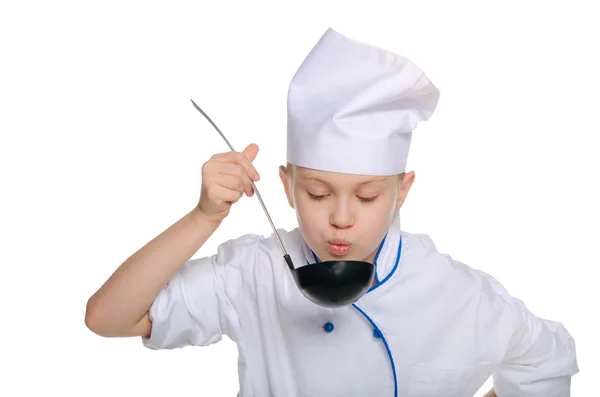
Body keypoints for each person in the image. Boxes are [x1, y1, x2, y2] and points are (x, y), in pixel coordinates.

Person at [85, 27, 579, 396]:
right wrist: (204, 216)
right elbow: (108, 318)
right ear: (287, 185)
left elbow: (546, 361)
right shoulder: (254, 273)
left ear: (401, 192)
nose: (341, 218)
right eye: (318, 194)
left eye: (367, 197)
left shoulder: (453, 290)